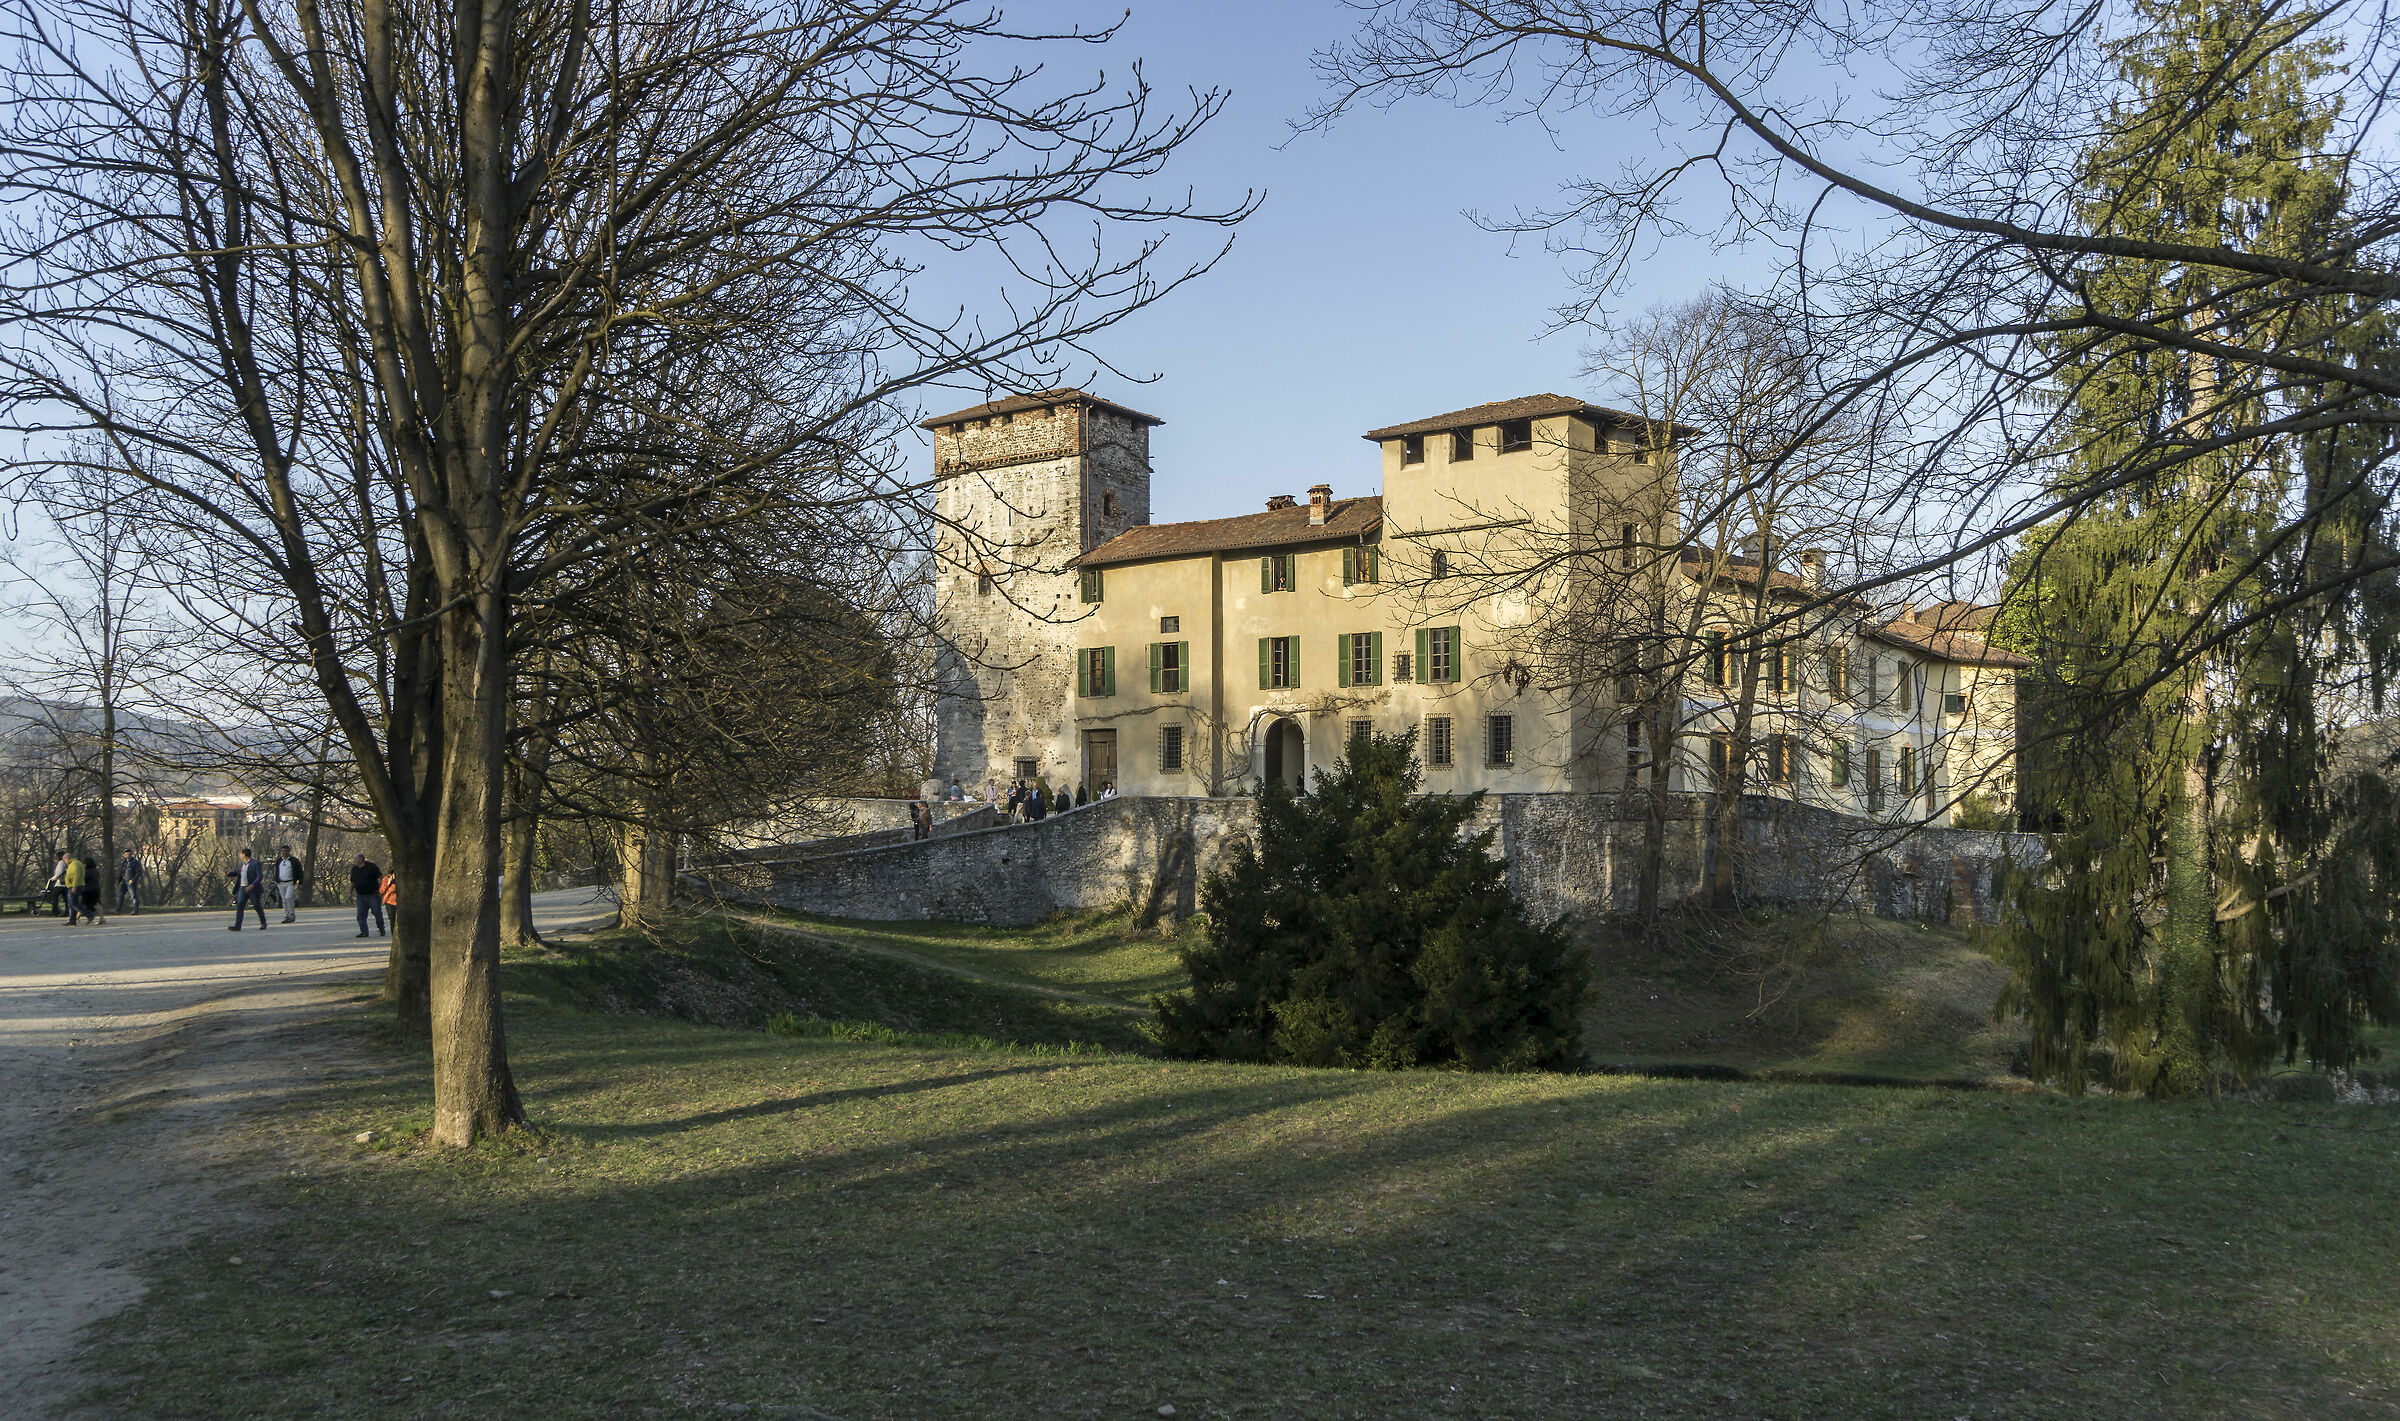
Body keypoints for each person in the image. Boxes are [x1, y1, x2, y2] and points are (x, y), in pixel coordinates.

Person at [228, 847, 267, 930]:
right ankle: (237, 926)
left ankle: (263, 922)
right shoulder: (242, 864)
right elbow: (236, 872)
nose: (240, 855)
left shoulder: (255, 863)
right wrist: (228, 874)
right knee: (240, 907)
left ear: (244, 854)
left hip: (253, 889)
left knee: (257, 906)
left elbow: (260, 876)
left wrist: (252, 885)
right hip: (242, 888)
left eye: (241, 854)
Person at [350, 852, 386, 938]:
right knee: (361, 916)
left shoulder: (371, 866)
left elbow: (380, 877)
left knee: (377, 913)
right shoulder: (354, 869)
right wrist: (350, 893)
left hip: (373, 895)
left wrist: (381, 889)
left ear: (360, 859)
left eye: (355, 859)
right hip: (360, 896)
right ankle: (364, 932)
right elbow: (352, 882)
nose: (354, 861)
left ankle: (381, 928)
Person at [272, 845, 307, 923]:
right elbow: (276, 871)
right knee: (284, 900)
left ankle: (292, 914)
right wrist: (276, 880)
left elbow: (300, 872)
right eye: (283, 851)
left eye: (286, 851)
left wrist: (300, 883)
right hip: (281, 883)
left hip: (290, 882)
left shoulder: (294, 861)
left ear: (289, 851)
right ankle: (286, 915)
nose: (284, 853)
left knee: (288, 897)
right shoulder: (279, 861)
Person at [61, 852, 87, 925]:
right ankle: (72, 920)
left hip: (75, 886)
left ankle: (88, 913)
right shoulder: (73, 864)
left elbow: (76, 876)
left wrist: (74, 886)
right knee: (71, 903)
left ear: (67, 858)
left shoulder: (74, 864)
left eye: (64, 860)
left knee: (73, 903)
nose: (64, 862)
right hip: (73, 885)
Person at [79, 856, 105, 927]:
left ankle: (77, 918)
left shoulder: (87, 871)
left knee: (82, 903)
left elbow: (83, 879)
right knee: (97, 903)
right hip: (96, 888)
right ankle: (102, 918)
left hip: (89, 890)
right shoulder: (95, 870)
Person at [117, 850, 142, 915]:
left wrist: (133, 879)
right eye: (126, 854)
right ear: (124, 855)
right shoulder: (124, 862)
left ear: (131, 854)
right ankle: (118, 910)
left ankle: (135, 910)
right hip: (124, 881)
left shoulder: (135, 862)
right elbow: (121, 872)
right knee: (120, 895)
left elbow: (138, 872)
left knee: (133, 896)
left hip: (131, 881)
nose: (128, 856)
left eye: (129, 854)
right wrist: (119, 881)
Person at [46, 851, 69, 917]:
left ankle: (55, 911)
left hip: (60, 884)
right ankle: (67, 912)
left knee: (55, 897)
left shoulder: (61, 863)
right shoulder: (67, 863)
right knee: (66, 899)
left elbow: (59, 872)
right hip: (66, 884)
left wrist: (53, 878)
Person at [379, 869, 399, 933]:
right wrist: (388, 883)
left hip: (400, 902)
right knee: (392, 921)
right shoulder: (386, 879)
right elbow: (381, 891)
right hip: (390, 902)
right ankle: (393, 935)